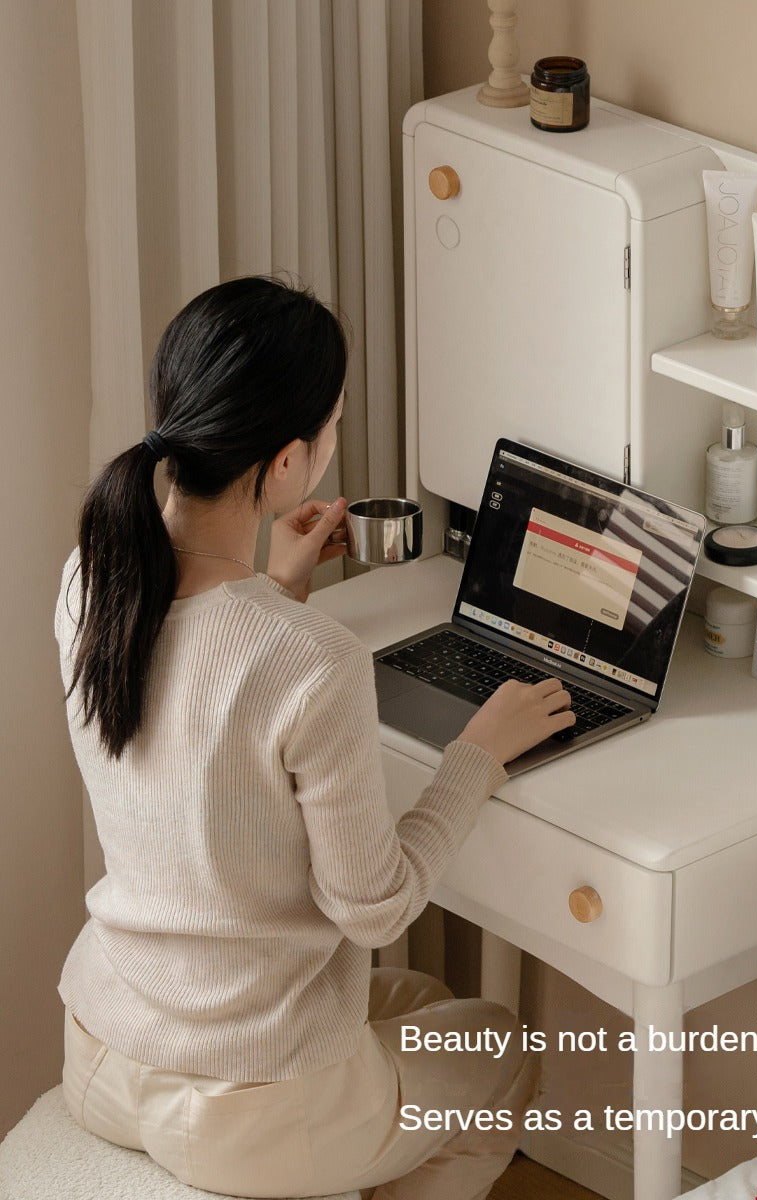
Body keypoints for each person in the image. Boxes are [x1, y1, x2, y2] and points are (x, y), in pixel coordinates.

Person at [54, 276, 575, 1200]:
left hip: (104, 1047)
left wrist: (277, 583)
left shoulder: (93, 576)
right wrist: (477, 755)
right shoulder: (312, 660)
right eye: (332, 426)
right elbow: (371, 910)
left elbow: (198, 704)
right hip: (248, 1109)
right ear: (290, 462)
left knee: (412, 1003)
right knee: (497, 1046)